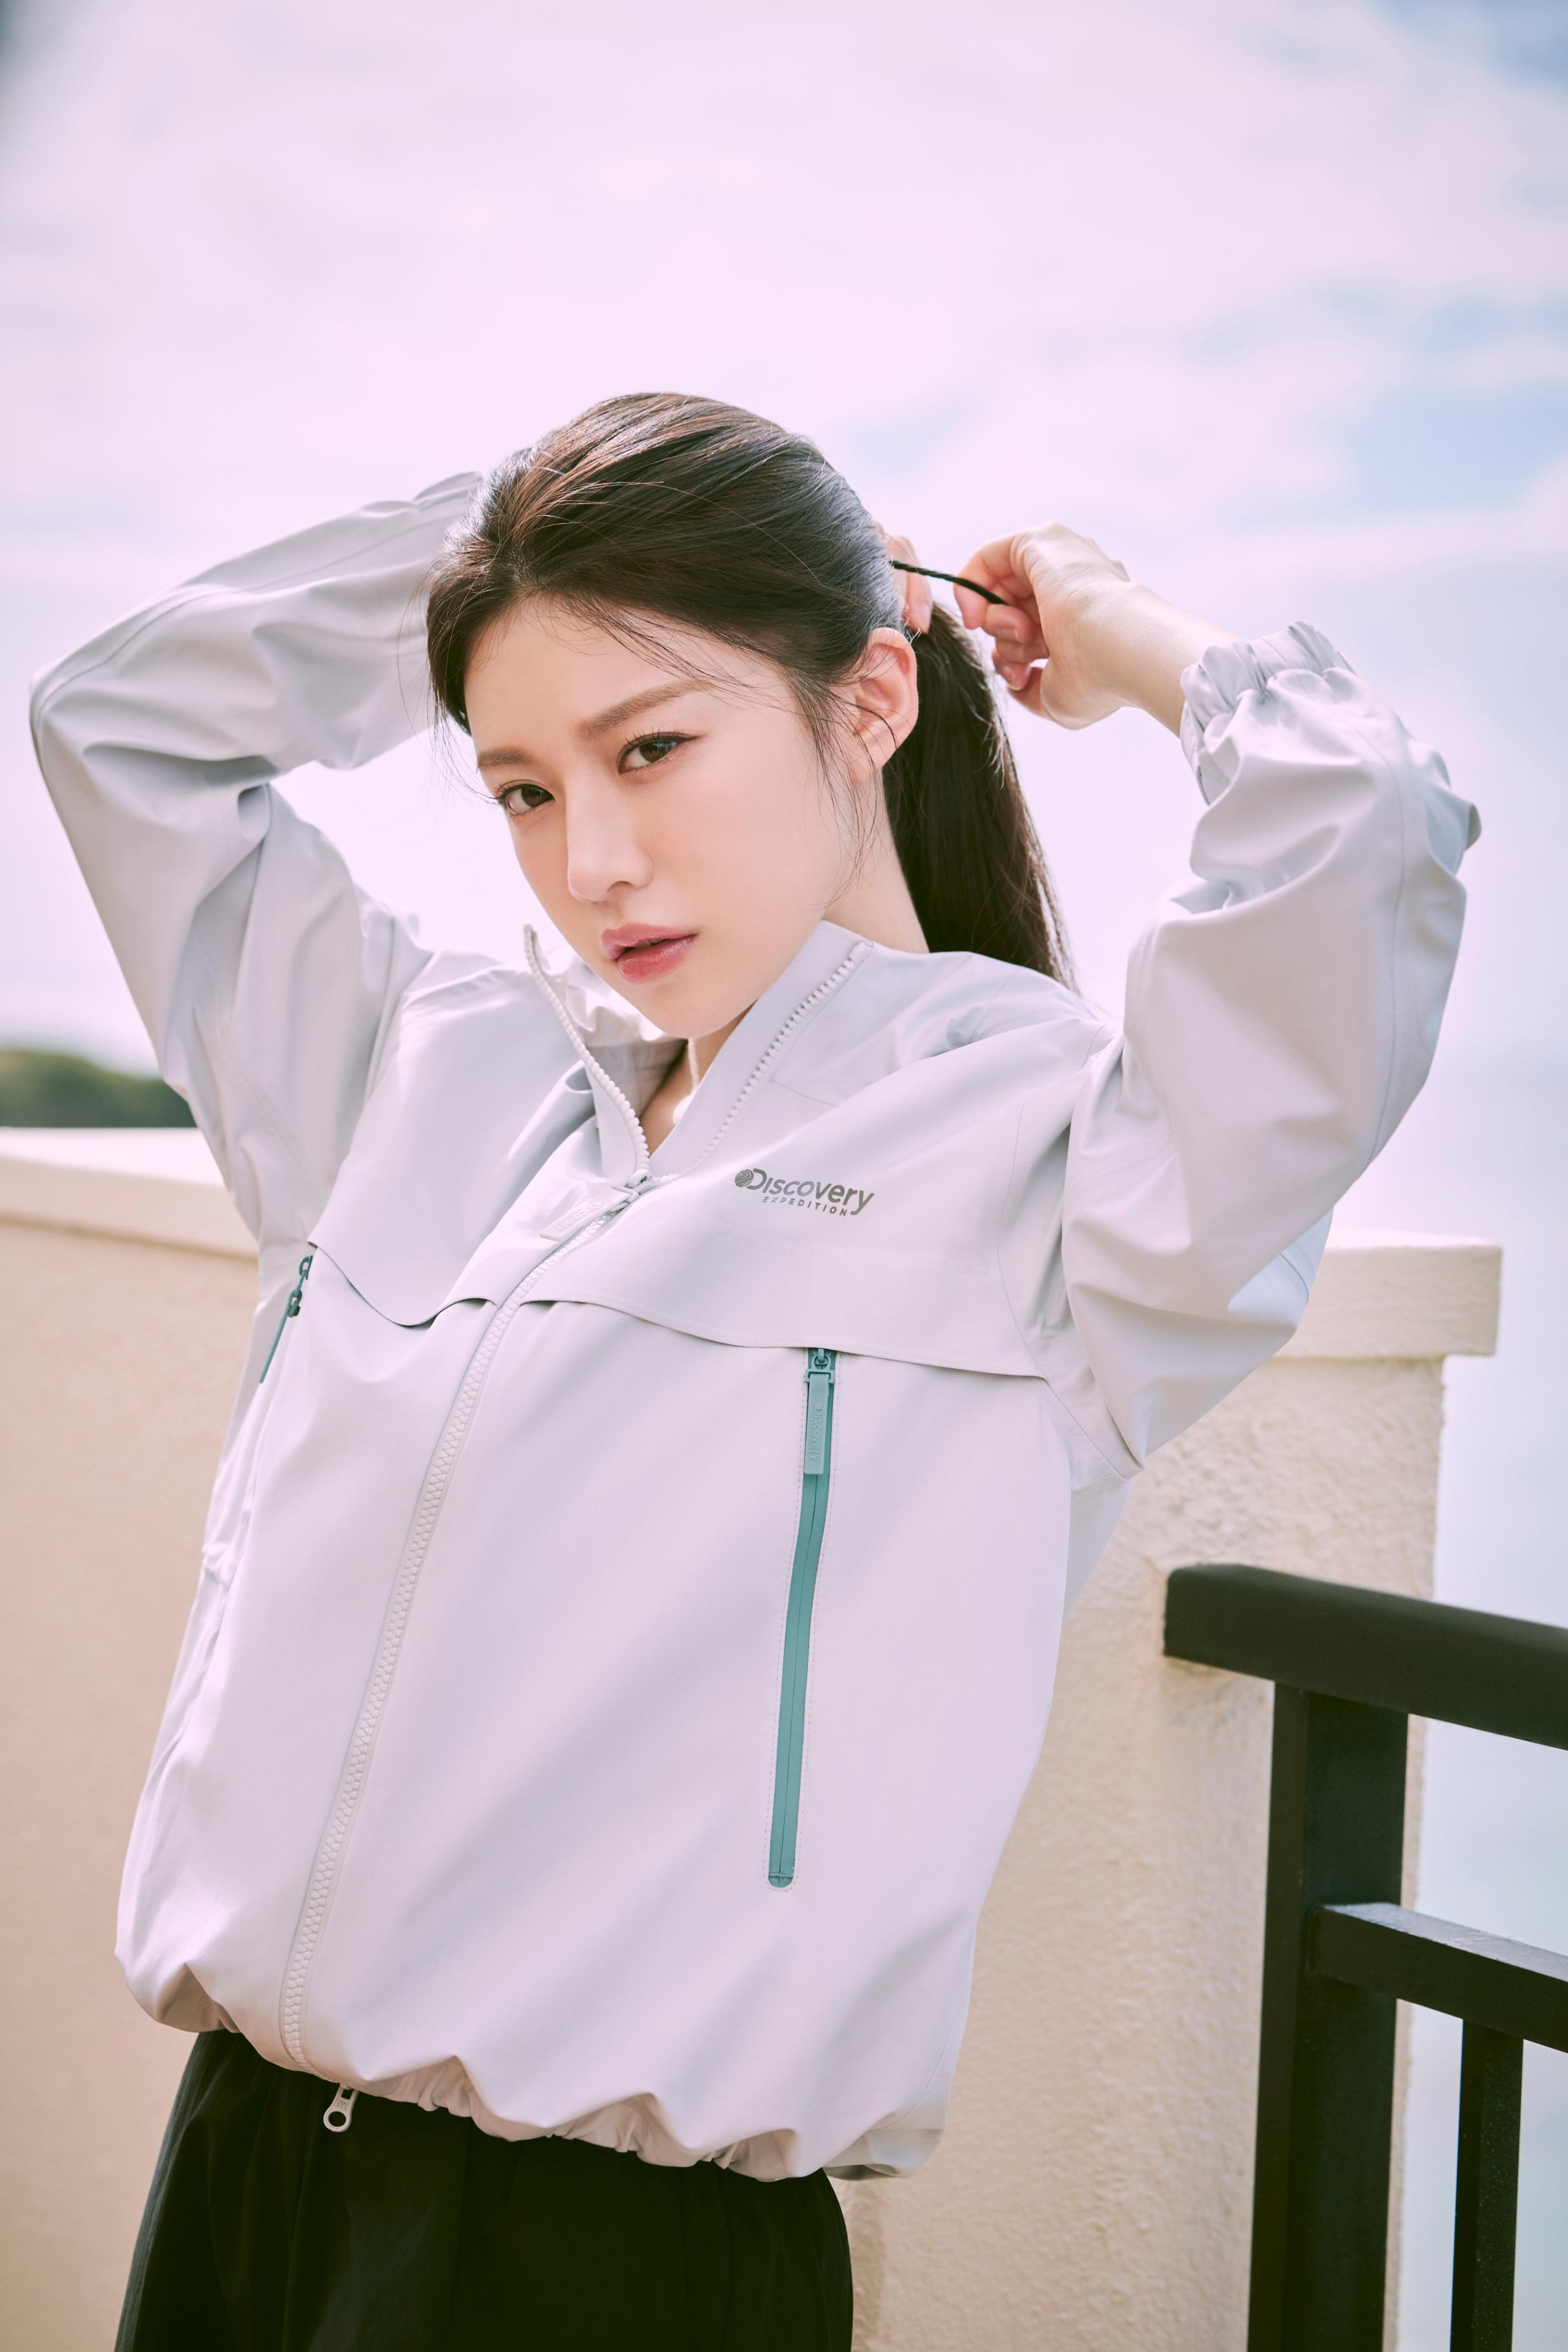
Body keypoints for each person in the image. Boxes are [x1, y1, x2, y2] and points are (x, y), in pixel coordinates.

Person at [32, 393, 1476, 2351]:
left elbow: (1367, 828)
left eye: (653, 746)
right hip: (243, 2185)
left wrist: (1112, 620)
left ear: (868, 699)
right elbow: (118, 727)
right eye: (521, 787)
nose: (593, 859)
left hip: (617, 2270)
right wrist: (509, 548)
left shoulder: (1066, 1173)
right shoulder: (413, 1073)